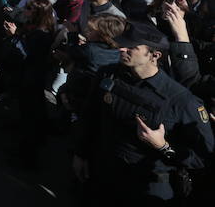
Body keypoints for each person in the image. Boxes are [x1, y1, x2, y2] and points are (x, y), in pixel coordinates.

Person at [73, 20, 214, 204]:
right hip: (104, 172)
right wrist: (80, 153)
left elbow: (202, 158)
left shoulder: (181, 100)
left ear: (154, 55)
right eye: (121, 44)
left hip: (146, 187)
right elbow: (90, 116)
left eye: (131, 47)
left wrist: (163, 146)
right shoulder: (108, 74)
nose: (122, 49)